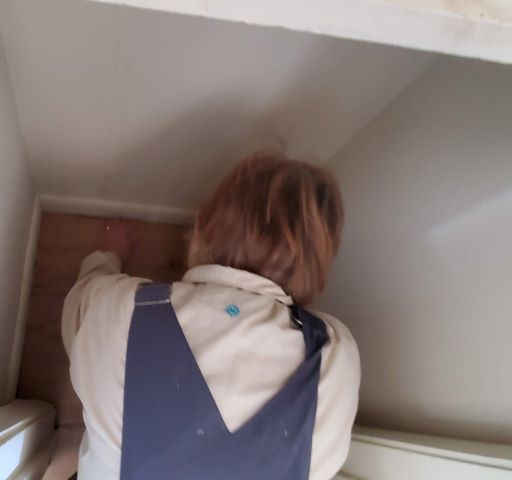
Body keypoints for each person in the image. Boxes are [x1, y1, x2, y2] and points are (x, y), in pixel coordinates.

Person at [62, 152, 360, 480]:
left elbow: (78, 305)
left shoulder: (119, 312)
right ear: (316, 267)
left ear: (203, 228)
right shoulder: (332, 357)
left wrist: (107, 256)